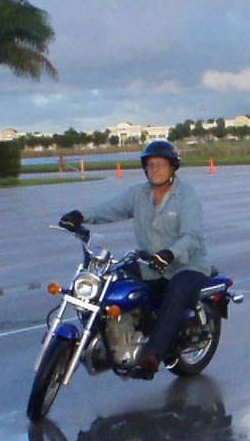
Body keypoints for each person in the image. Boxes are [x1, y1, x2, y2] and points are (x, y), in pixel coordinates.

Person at [58, 139, 209, 379]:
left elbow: (192, 236)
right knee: (112, 283)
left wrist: (170, 253)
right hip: (150, 264)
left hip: (186, 265)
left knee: (176, 292)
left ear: (172, 167)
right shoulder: (139, 194)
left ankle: (152, 356)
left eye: (161, 164)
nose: (155, 169)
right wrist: (79, 215)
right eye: (150, 165)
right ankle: (109, 337)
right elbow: (111, 208)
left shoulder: (186, 196)